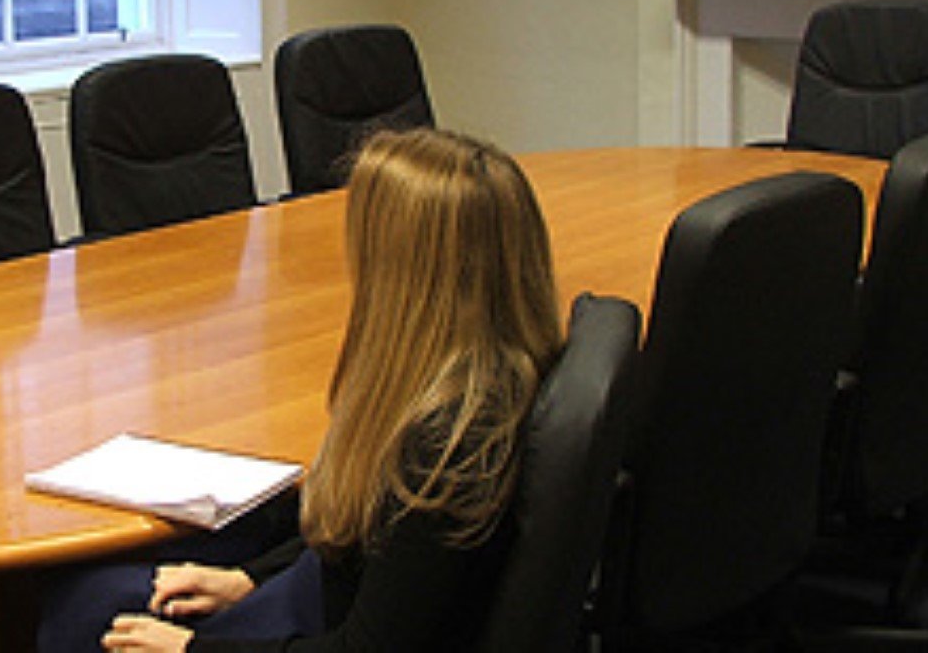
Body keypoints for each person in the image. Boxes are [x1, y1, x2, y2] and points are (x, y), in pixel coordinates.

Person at [67, 128, 564, 652]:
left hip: (321, 626)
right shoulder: (488, 376)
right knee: (95, 596)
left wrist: (190, 650)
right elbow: (361, 548)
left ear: (401, 268)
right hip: (316, 592)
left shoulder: (445, 446)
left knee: (81, 610)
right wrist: (252, 579)